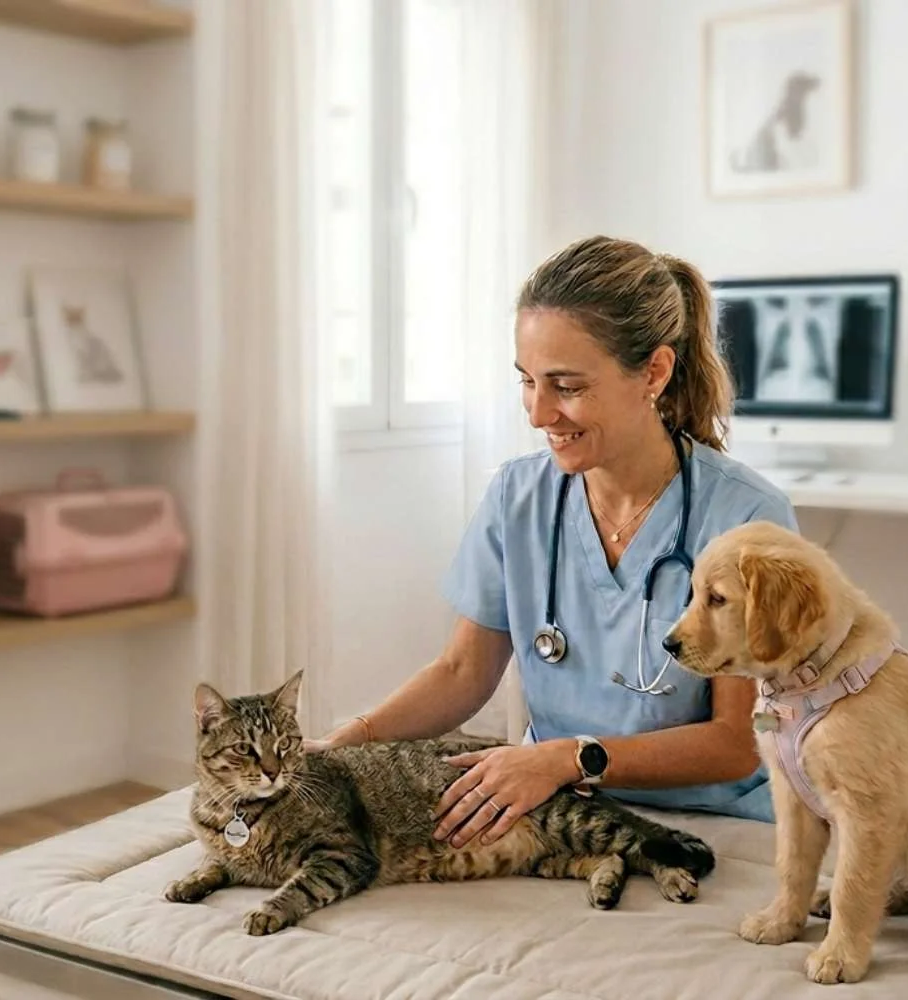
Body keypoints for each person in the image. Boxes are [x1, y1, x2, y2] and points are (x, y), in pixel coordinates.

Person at [307, 235, 799, 848]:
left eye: (566, 386)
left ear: (654, 372)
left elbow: (734, 745)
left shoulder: (746, 514)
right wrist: (337, 747)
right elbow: (462, 672)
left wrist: (571, 758)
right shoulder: (519, 496)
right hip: (561, 812)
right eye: (527, 382)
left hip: (713, 823)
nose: (538, 414)